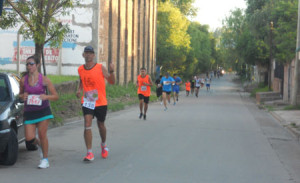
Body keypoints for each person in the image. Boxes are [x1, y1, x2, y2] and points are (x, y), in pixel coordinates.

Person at [76, 46, 115, 162]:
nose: (88, 55)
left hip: (100, 101)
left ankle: (103, 144)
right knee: (87, 123)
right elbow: (82, 81)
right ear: (83, 55)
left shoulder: (100, 67)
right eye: (86, 53)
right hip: (88, 100)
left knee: (101, 125)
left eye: (90, 53)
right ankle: (89, 153)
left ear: (94, 55)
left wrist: (112, 71)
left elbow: (112, 82)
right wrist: (79, 89)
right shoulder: (80, 69)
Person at [19, 56, 59, 169]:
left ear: (37, 65)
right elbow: (20, 95)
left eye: (31, 64)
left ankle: (45, 159)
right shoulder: (23, 80)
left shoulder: (45, 80)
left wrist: (46, 96)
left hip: (43, 111)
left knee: (42, 135)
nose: (29, 66)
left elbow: (56, 96)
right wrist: (23, 96)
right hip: (29, 112)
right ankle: (41, 146)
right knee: (29, 138)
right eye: (27, 64)